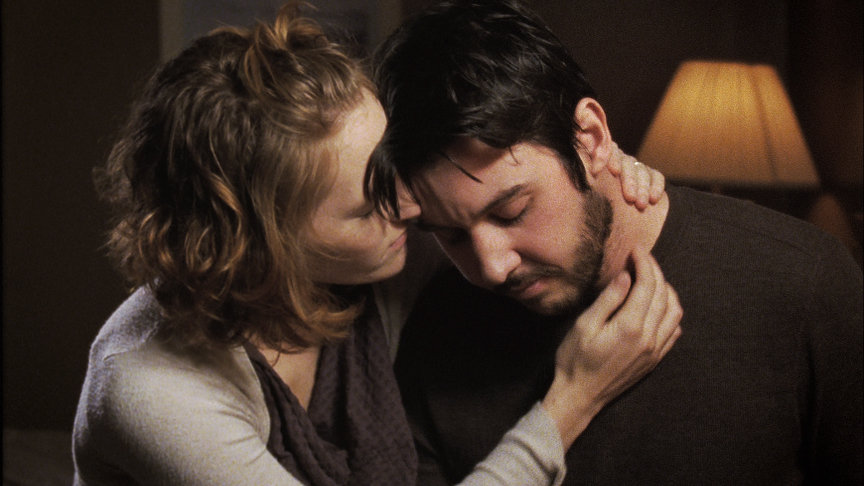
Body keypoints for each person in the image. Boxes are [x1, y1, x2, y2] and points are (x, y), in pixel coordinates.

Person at [71, 3, 681, 485]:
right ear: (260, 247)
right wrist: (569, 403)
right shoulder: (153, 389)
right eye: (368, 206)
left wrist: (602, 162)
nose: (413, 210)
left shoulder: (374, 253)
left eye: (394, 174)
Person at [367, 1, 864, 484]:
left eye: (511, 211)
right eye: (452, 235)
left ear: (590, 139)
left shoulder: (802, 282)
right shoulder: (438, 326)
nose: (492, 267)